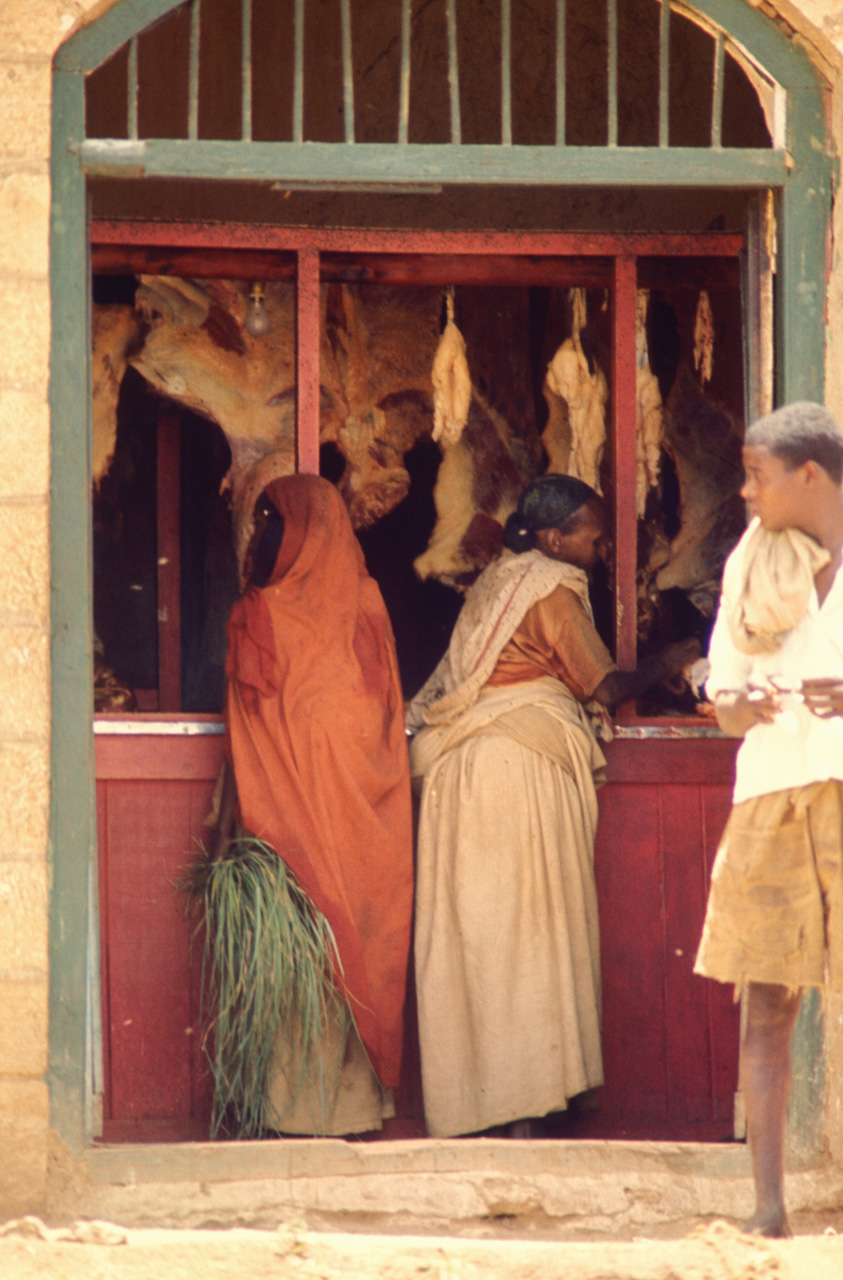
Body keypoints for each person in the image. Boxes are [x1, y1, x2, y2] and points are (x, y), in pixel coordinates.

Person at [406, 474, 699, 1138]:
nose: (598, 553)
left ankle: (483, 1107)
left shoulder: (499, 580)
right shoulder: (549, 586)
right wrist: (674, 656)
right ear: (552, 539)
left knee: (481, 942)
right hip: (515, 769)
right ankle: (524, 1115)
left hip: (466, 769)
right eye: (593, 540)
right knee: (525, 939)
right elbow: (604, 685)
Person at [215, 472, 414, 1135]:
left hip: (287, 829)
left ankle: (293, 1112)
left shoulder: (260, 614)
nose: (260, 540)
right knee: (355, 937)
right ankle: (352, 1111)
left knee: (308, 941)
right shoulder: (367, 605)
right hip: (369, 824)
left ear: (297, 535)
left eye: (270, 526)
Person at [694, 402, 843, 1237]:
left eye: (756, 476)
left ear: (808, 476)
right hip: (770, 791)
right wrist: (740, 703)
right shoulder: (750, 563)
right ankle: (767, 1209)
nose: (746, 493)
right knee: (765, 1004)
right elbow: (722, 701)